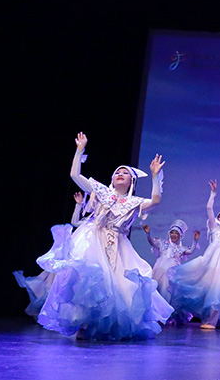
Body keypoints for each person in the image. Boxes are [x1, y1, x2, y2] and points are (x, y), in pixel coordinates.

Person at [32, 132, 172, 340]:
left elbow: (155, 200)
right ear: (112, 179)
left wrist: (155, 177)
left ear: (131, 181)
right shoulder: (101, 191)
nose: (120, 174)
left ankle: (106, 325)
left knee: (118, 284)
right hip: (93, 239)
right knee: (89, 280)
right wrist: (80, 151)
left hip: (118, 245)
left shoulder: (133, 203)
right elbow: (75, 175)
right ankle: (84, 323)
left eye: (125, 173)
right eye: (117, 173)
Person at [167, 181, 220, 329]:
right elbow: (209, 208)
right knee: (214, 288)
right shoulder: (215, 228)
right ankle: (210, 320)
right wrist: (213, 194)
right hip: (215, 261)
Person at [143, 220, 200, 312]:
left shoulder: (180, 248)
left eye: (176, 233)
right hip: (159, 270)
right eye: (172, 232)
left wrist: (195, 241)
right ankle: (156, 310)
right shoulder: (162, 243)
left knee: (167, 291)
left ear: (180, 236)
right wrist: (148, 234)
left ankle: (166, 311)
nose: (173, 235)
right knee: (157, 289)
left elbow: (190, 251)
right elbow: (152, 243)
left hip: (172, 273)